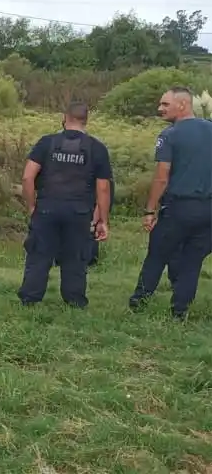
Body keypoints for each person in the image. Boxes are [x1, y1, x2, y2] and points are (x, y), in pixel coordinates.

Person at [17, 101, 112, 308]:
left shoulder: (46, 143)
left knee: (39, 253)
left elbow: (27, 178)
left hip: (47, 208)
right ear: (86, 121)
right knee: (76, 256)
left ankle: (29, 299)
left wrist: (32, 206)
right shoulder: (97, 148)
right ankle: (75, 300)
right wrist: (102, 220)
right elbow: (103, 188)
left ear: (64, 118)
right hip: (79, 212)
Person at [128, 86, 212, 320]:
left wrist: (150, 209)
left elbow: (162, 176)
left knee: (157, 254)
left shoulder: (170, 135)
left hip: (179, 208)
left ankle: (139, 301)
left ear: (183, 105)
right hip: (208, 210)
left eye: (165, 104)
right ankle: (179, 311)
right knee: (192, 261)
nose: (160, 109)